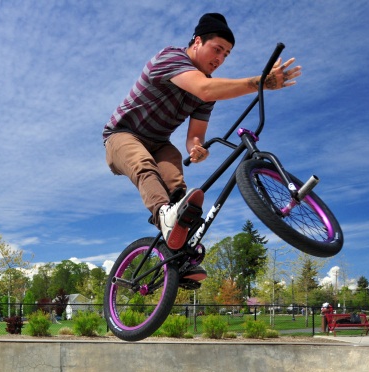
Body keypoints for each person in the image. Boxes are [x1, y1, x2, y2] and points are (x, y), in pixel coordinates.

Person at [103, 13, 301, 282]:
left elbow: (194, 135)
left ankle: (180, 256)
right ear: (197, 42)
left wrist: (197, 148)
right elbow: (206, 89)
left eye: (226, 55)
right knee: (143, 165)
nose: (219, 59)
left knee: (179, 189)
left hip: (160, 143)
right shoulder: (170, 58)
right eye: (217, 49)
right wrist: (261, 82)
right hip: (121, 135)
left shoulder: (205, 95)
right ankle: (164, 215)